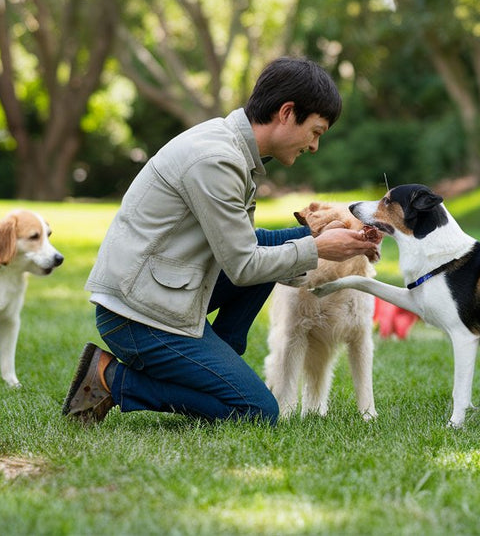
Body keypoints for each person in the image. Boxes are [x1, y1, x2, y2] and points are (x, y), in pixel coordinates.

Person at [61, 57, 379, 425]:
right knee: (257, 411)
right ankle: (111, 379)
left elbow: (247, 245)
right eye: (316, 131)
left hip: (161, 292)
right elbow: (244, 266)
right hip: (135, 317)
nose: (314, 146)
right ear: (287, 113)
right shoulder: (216, 160)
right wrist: (319, 248)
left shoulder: (233, 147)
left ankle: (218, 361)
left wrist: (320, 234)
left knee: (276, 245)